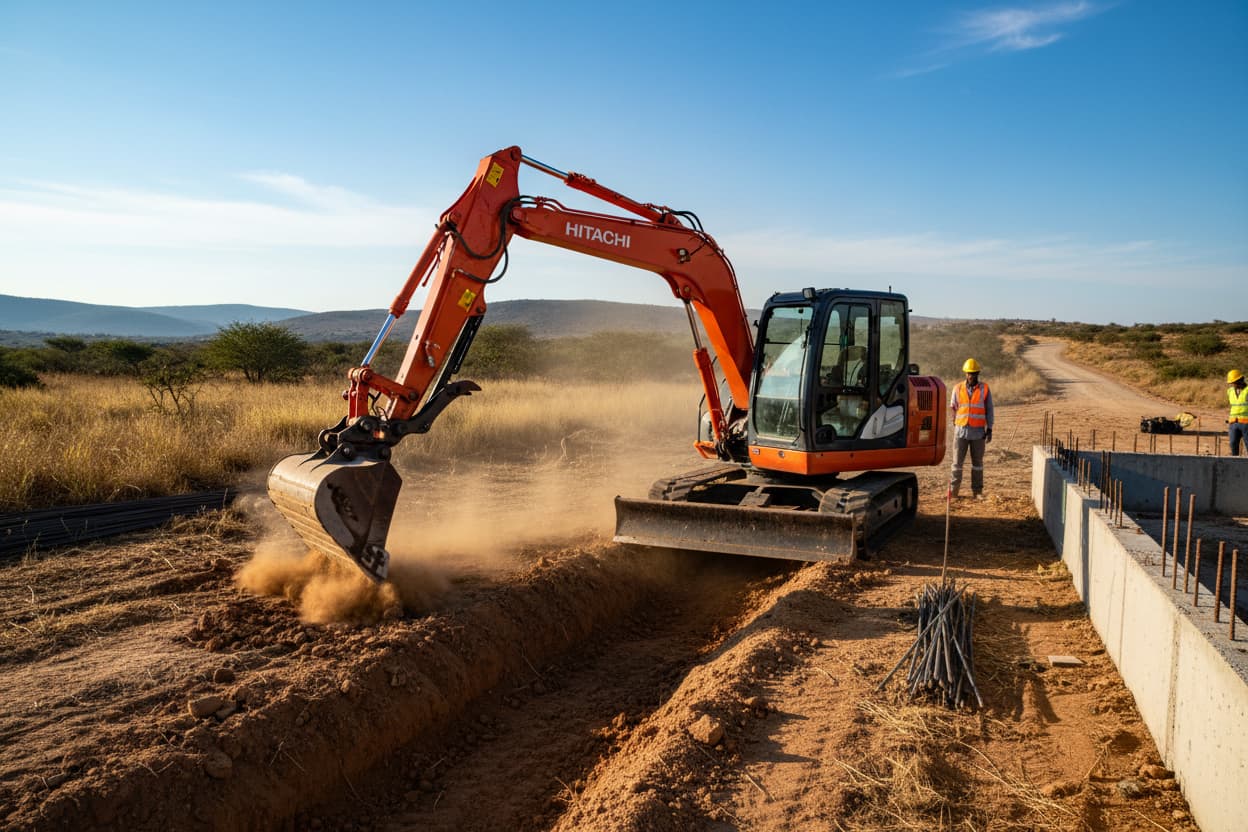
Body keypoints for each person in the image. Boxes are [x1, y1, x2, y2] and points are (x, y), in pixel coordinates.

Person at [950, 358, 994, 499]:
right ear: (966, 373)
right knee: (957, 464)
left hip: (978, 432)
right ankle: (954, 492)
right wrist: (955, 423)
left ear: (978, 374)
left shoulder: (985, 389)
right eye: (970, 373)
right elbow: (953, 407)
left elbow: (989, 410)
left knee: (977, 465)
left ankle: (977, 492)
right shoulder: (957, 388)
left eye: (974, 373)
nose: (972, 376)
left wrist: (990, 428)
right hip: (961, 432)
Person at [1229, 369, 1248, 456]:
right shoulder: (1230, 391)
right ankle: (1235, 463)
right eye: (1232, 383)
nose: (1233, 385)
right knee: (1233, 444)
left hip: (1246, 423)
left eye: (1235, 382)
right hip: (1233, 423)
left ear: (1241, 380)